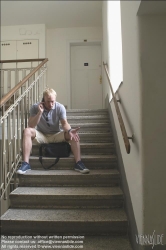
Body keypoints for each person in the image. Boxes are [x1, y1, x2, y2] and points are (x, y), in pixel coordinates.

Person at [17, 88, 90, 174]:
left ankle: (78, 163)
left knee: (73, 134)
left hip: (56, 135)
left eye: (53, 101)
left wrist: (70, 130)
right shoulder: (35, 107)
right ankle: (26, 164)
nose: (51, 104)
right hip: (42, 135)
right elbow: (31, 125)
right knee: (27, 131)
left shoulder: (60, 107)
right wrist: (40, 113)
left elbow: (64, 124)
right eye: (48, 101)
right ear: (43, 99)